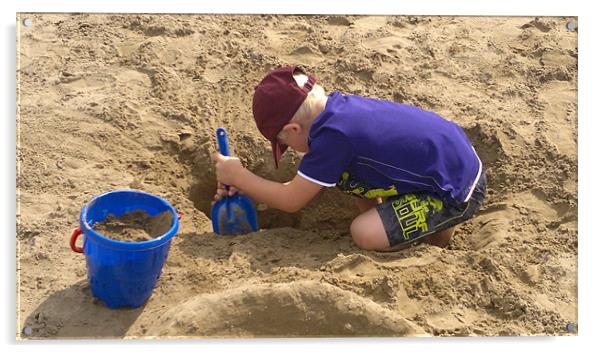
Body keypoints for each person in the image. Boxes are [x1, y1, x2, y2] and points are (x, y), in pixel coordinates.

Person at [213, 66, 486, 251]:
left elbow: (291, 200)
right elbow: (360, 178)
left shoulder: (332, 140)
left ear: (293, 130)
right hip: (452, 163)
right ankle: (434, 230)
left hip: (455, 190)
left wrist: (238, 176)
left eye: (284, 144)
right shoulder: (338, 113)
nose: (291, 151)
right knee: (351, 184)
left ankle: (440, 227)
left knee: (363, 233)